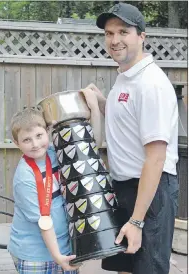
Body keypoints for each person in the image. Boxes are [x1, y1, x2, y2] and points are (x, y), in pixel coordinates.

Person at [81, 2, 179, 274]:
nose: (114, 40)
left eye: (123, 32)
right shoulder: (126, 78)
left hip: (150, 191)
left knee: (147, 269)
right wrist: (103, 102)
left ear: (142, 36)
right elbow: (129, 122)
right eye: (109, 33)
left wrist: (136, 221)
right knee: (125, 267)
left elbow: (156, 157)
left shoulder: (151, 84)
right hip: (123, 187)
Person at [8, 107, 80, 274]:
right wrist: (57, 257)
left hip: (65, 247)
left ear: (47, 132)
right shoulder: (24, 178)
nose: (35, 144)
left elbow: (88, 147)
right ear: (17, 144)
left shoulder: (54, 153)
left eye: (39, 136)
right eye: (26, 140)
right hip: (34, 256)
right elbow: (44, 222)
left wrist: (94, 111)